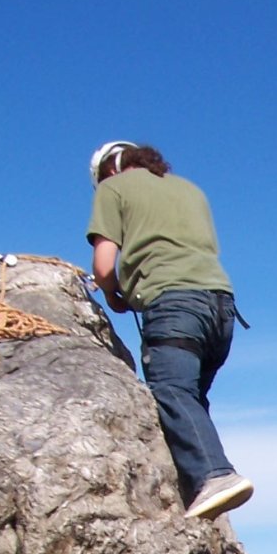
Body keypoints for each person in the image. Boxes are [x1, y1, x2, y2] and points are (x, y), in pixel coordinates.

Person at [86, 140, 253, 520]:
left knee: (171, 390)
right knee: (191, 399)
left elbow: (103, 265)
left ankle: (214, 474)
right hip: (221, 309)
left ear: (110, 169)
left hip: (173, 304)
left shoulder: (114, 187)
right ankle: (196, 486)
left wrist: (113, 294)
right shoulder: (190, 190)